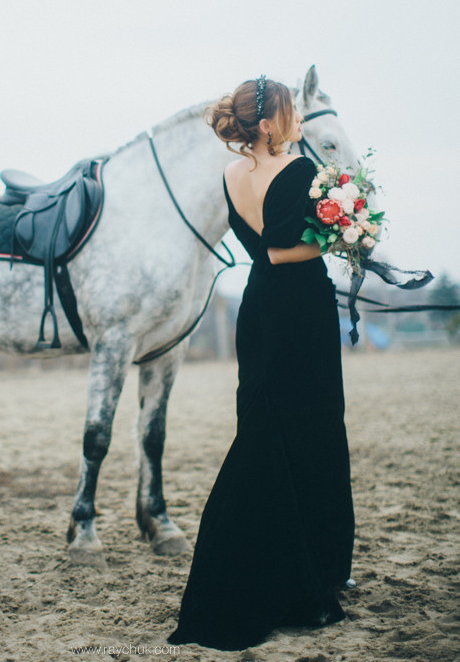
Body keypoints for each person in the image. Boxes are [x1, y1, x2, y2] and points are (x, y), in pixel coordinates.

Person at [168, 75, 354, 652]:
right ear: (270, 123)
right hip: (299, 310)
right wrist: (345, 230)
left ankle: (279, 557)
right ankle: (311, 572)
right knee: (314, 432)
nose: (297, 116)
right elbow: (282, 249)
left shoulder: (230, 176)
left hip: (260, 310)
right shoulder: (298, 171)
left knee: (265, 430)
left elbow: (260, 251)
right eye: (289, 110)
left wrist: (335, 225)